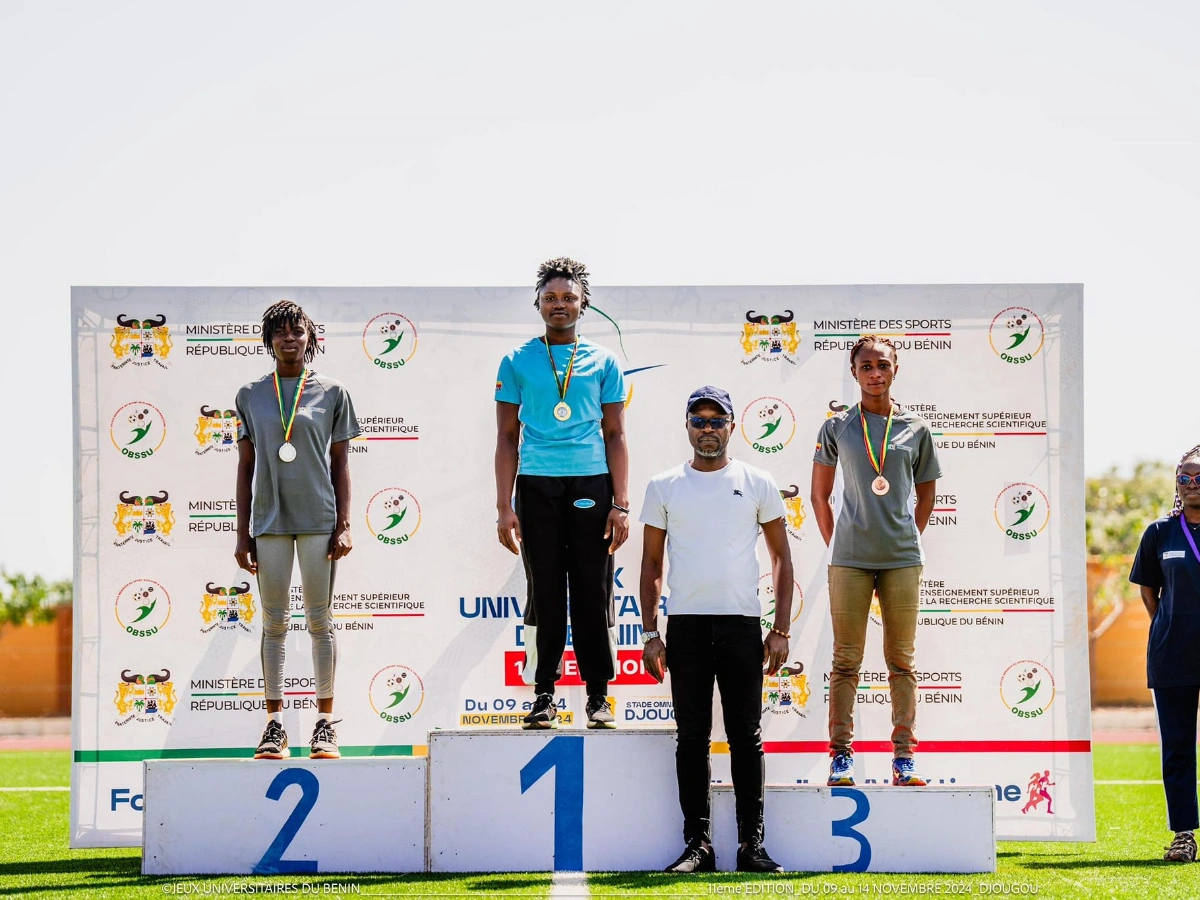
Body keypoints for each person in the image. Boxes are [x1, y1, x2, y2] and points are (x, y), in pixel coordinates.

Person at [640, 385, 793, 873]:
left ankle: (752, 846)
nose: (708, 430)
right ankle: (698, 847)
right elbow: (650, 565)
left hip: (743, 626)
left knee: (746, 736)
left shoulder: (757, 480)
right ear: (687, 426)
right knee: (692, 738)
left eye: (716, 421)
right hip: (685, 628)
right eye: (698, 421)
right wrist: (650, 633)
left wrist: (781, 629)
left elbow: (782, 559)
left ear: (732, 426)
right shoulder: (663, 485)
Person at [494, 257, 630, 730]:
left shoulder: (604, 361)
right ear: (537, 302)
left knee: (592, 593)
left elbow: (615, 434)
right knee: (546, 593)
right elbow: (507, 438)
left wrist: (621, 503)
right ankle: (544, 695)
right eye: (550, 297)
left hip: (592, 483)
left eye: (569, 297)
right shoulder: (516, 361)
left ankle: (598, 697)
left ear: (583, 304)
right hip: (536, 487)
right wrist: (503, 507)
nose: (559, 305)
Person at [810, 334, 941, 787]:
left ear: (895, 369)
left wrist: (908, 535)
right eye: (866, 366)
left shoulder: (916, 429)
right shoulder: (837, 427)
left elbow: (927, 490)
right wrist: (837, 543)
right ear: (854, 373)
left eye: (882, 365)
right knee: (846, 661)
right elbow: (819, 495)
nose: (874, 373)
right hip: (849, 560)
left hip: (902, 558)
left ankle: (904, 759)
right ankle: (840, 757)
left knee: (901, 662)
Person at [234, 301, 360, 759]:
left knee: (320, 624)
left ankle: (325, 725)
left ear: (311, 337)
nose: (289, 339)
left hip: (318, 521)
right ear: (268, 340)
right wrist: (241, 532)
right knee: (273, 625)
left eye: (297, 331)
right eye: (280, 332)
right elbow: (245, 466)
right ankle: (274, 727)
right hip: (268, 522)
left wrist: (343, 523)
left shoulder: (332, 392)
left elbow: (341, 463)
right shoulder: (250, 394)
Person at [1129, 444, 1200, 863]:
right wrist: (1172, 625)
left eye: (1199, 478)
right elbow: (1148, 592)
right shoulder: (1159, 533)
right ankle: (1184, 835)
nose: (1193, 486)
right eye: (1185, 479)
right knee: (1177, 747)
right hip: (1172, 654)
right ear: (1176, 484)